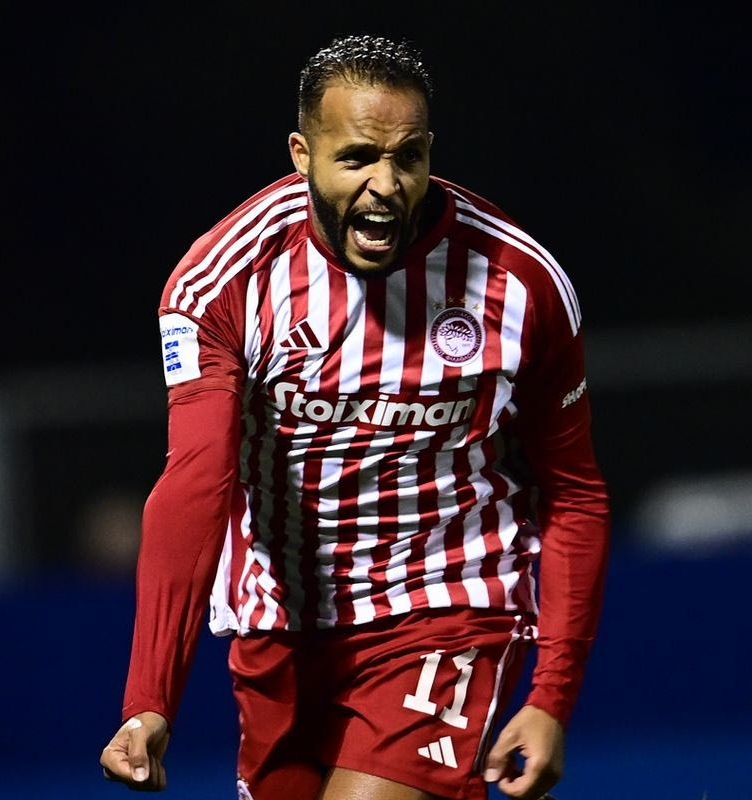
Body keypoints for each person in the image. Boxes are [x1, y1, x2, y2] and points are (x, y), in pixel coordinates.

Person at [99, 34, 610, 800]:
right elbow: (197, 481)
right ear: (302, 155)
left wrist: (552, 695)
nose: (387, 185)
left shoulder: (521, 282)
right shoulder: (222, 280)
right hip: (279, 626)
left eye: (408, 157)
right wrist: (149, 698)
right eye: (359, 158)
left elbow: (574, 492)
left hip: (445, 605)